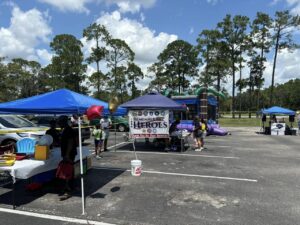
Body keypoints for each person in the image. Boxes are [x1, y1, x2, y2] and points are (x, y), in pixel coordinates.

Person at [57, 115, 78, 200]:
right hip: (67, 153)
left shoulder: (68, 130)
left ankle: (68, 191)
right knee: (69, 170)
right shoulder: (65, 129)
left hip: (69, 154)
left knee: (67, 171)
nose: (58, 124)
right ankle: (69, 187)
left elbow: (70, 143)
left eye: (59, 122)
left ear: (63, 122)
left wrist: (67, 155)